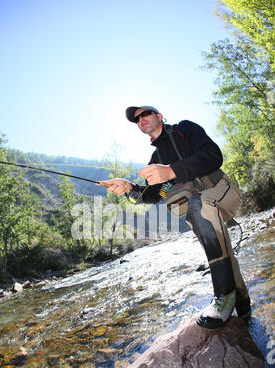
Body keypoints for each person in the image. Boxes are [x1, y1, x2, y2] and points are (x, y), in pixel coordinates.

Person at [99, 106, 251, 329]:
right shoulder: (154, 159)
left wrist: (171, 171)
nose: (141, 119)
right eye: (137, 119)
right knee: (222, 252)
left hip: (221, 191)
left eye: (146, 114)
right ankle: (244, 310)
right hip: (198, 214)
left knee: (199, 204)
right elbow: (153, 195)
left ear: (159, 117)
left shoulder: (185, 130)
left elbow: (213, 156)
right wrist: (128, 187)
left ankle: (223, 295)